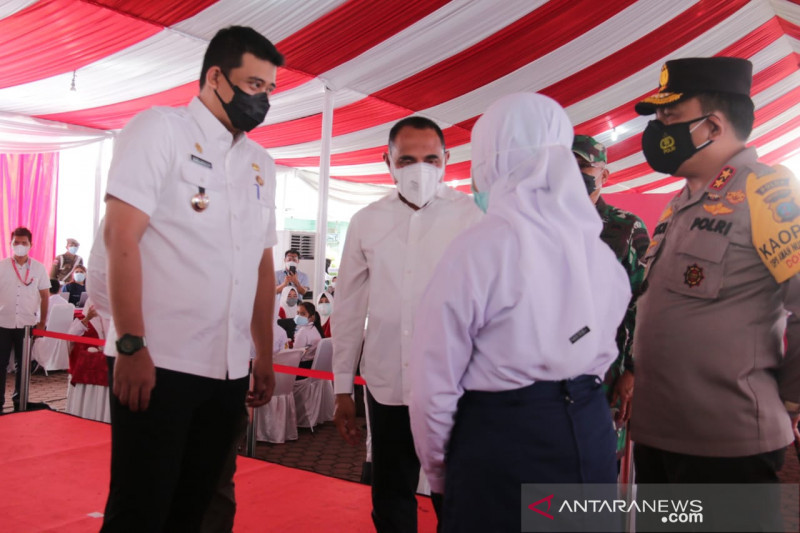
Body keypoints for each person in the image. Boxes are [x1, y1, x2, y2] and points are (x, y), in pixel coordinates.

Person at [407, 93, 629, 532]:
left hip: (504, 440)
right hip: (589, 432)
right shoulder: (599, 253)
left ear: (492, 158)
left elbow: (434, 384)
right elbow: (601, 356)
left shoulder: (480, 249)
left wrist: (440, 471)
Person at [99, 26, 283, 532]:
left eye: (269, 89)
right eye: (253, 85)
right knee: (140, 509)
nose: (262, 100)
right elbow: (120, 237)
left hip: (227, 369)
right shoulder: (160, 129)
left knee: (195, 509)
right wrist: (131, 344)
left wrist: (263, 355)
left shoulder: (261, 163)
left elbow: (260, 266)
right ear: (216, 77)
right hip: (160, 361)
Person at [631, 57, 800, 530]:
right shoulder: (678, 204)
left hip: (726, 444)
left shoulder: (768, 192)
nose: (657, 130)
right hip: (659, 434)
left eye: (669, 116)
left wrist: (789, 400)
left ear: (713, 126)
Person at [332, 116, 483, 532]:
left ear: (447, 159)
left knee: (458, 498)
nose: (421, 169)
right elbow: (348, 308)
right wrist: (341, 387)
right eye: (407, 159)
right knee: (391, 495)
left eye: (431, 159)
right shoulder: (366, 221)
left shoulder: (473, 215)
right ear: (388, 162)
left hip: (456, 384)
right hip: (387, 383)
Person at [572, 134, 649, 444]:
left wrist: (632, 370)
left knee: (597, 455)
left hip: (605, 372)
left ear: (604, 175)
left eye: (583, 166)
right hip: (550, 371)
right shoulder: (544, 223)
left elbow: (643, 302)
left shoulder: (626, 228)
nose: (574, 173)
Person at [0, 227, 50, 412]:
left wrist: (42, 323)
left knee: (23, 366)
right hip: (3, 322)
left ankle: (20, 402)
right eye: (16, 242)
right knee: (0, 364)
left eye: (24, 243)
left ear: (31, 245)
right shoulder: (2, 266)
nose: (20, 246)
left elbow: (45, 295)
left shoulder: (38, 268)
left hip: (27, 324)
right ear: (11, 244)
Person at [293, 301, 323, 368]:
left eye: (303, 314)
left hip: (302, 367)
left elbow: (295, 355)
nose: (298, 316)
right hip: (312, 365)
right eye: (297, 313)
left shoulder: (302, 331)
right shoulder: (315, 328)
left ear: (312, 317)